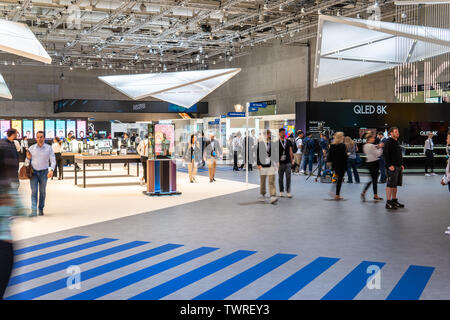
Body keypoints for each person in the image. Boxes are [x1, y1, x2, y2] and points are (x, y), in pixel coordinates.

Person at [26, 131, 56, 216]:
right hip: (33, 173)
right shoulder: (31, 148)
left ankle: (41, 209)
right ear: (36, 138)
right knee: (34, 191)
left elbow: (53, 160)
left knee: (42, 191)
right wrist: (28, 159)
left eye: (41, 137)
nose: (40, 139)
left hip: (44, 172)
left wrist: (51, 170)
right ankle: (33, 210)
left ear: (44, 138)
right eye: (38, 137)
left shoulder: (49, 148)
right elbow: (26, 161)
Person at [383, 127, 405, 210]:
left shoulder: (397, 142)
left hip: (398, 167)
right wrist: (389, 165)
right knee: (390, 184)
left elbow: (398, 154)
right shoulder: (388, 142)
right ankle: (388, 202)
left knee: (395, 184)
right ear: (391, 133)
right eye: (396, 132)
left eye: (398, 131)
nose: (398, 133)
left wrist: (401, 164)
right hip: (391, 167)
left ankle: (394, 200)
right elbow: (385, 154)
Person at [361, 133, 384, 201]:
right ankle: (367, 193)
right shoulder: (372, 146)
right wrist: (380, 148)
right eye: (373, 138)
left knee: (373, 179)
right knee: (374, 180)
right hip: (374, 163)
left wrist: (377, 146)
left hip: (368, 163)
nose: (374, 139)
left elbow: (373, 148)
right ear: (370, 139)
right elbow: (378, 154)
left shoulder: (365, 146)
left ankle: (373, 194)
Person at [257, 130, 278, 204]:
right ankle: (263, 195)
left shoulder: (273, 144)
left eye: (269, 134)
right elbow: (257, 155)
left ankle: (273, 196)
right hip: (262, 165)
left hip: (271, 165)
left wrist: (276, 163)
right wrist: (258, 164)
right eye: (266, 134)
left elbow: (275, 154)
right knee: (262, 181)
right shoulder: (260, 144)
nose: (268, 135)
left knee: (271, 181)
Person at [328, 132, 347, 200]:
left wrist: (329, 161)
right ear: (340, 137)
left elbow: (330, 155)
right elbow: (344, 156)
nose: (343, 137)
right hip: (342, 164)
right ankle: (337, 194)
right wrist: (347, 155)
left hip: (335, 164)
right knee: (340, 179)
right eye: (342, 136)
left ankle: (335, 192)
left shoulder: (332, 145)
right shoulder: (342, 145)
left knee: (338, 178)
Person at [278, 128, 294, 198]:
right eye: (282, 132)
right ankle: (281, 191)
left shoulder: (288, 141)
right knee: (280, 178)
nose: (283, 134)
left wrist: (292, 160)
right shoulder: (276, 142)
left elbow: (291, 151)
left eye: (284, 132)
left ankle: (288, 191)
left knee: (288, 177)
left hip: (288, 162)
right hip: (280, 163)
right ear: (279, 133)